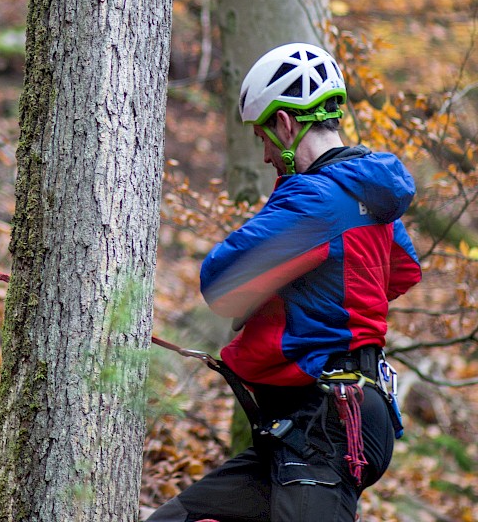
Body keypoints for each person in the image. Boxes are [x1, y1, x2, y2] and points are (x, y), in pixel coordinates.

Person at [148, 42, 421, 522]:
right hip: (316, 423)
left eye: (264, 136)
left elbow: (220, 279)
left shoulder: (314, 201)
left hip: (327, 425)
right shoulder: (372, 201)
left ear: (287, 123)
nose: (267, 155)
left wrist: (268, 296)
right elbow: (400, 272)